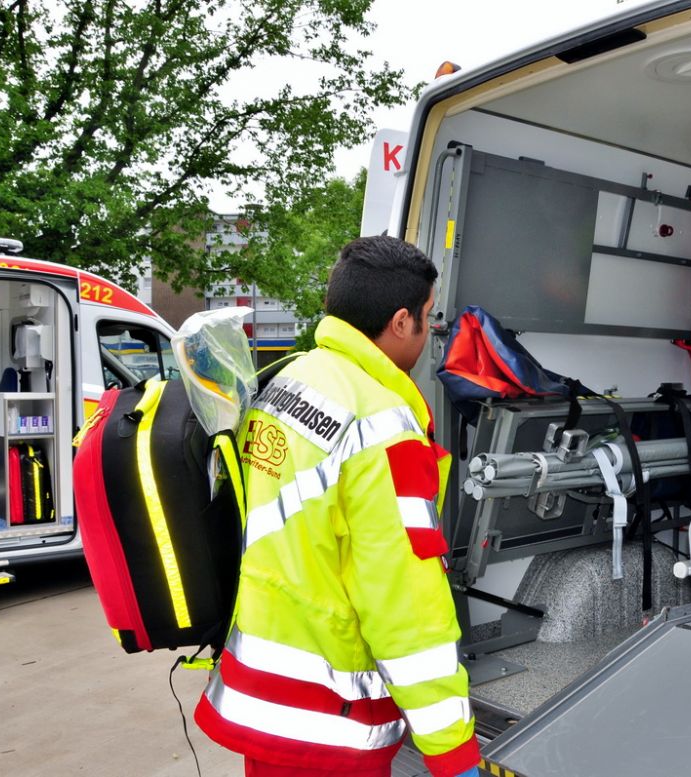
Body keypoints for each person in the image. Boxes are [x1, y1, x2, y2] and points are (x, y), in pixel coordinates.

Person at [195, 236, 481, 777]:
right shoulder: (383, 427)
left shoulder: (289, 380)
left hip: (263, 693)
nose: (431, 330)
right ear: (401, 322)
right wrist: (452, 752)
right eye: (428, 316)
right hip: (327, 717)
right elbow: (403, 602)